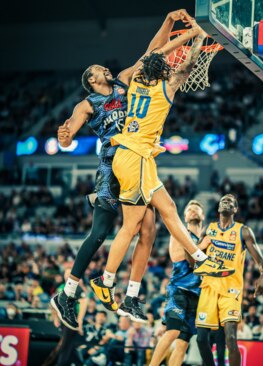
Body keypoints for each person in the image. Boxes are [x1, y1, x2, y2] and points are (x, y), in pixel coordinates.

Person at [50, 9, 193, 329]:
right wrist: (65, 136)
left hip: (136, 159)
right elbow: (68, 135)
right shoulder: (86, 105)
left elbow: (152, 53)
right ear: (91, 79)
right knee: (100, 232)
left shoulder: (124, 82)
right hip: (111, 167)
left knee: (149, 228)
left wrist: (169, 23)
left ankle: (130, 296)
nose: (106, 68)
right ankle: (68, 293)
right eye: (100, 68)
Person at [89, 17, 226, 318]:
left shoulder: (136, 80)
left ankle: (199, 256)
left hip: (136, 158)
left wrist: (192, 35)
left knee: (169, 209)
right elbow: (187, 65)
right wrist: (197, 39)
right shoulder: (167, 88)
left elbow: (155, 53)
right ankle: (105, 280)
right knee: (131, 226)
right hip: (135, 159)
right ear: (164, 71)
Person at [195, 194, 263, 366]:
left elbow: (262, 262)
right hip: (209, 288)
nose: (226, 202)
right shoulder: (208, 229)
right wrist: (200, 247)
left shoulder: (243, 231)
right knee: (200, 340)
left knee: (231, 338)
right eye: (223, 201)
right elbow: (193, 259)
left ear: (235, 209)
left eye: (230, 202)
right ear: (219, 208)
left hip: (231, 291)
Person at [150, 200, 210, 366]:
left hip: (198, 295)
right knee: (172, 332)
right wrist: (201, 247)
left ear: (202, 216)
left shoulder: (206, 239)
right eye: (189, 209)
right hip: (179, 290)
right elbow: (177, 256)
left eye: (196, 209)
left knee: (183, 344)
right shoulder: (180, 232)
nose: (192, 211)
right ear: (184, 217)